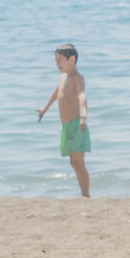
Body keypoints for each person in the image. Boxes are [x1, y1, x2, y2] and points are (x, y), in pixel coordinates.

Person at [38, 44, 90, 196]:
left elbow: (82, 96)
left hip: (76, 124)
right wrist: (44, 108)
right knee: (73, 162)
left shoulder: (77, 79)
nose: (57, 64)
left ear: (72, 59)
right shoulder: (63, 78)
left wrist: (83, 117)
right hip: (66, 126)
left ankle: (86, 195)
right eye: (55, 61)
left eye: (59, 60)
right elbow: (56, 94)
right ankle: (83, 193)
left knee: (79, 163)